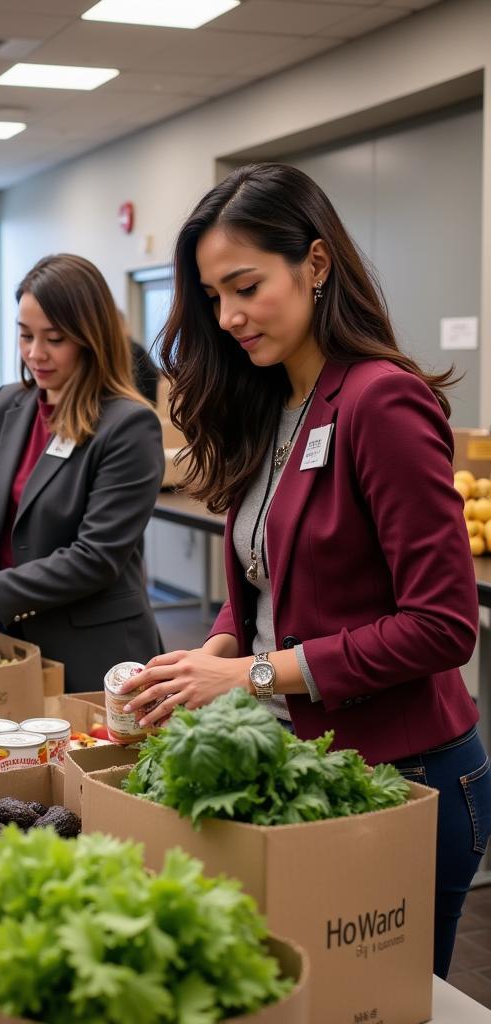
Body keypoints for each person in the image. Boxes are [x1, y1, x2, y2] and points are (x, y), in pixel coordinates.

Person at [120, 163, 491, 978]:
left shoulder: (380, 401)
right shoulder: (269, 404)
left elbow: (443, 626)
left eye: (245, 286)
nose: (230, 316)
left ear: (316, 264)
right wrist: (213, 656)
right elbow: (261, 586)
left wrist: (252, 675)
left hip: (403, 776)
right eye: (215, 297)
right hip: (301, 758)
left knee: (371, 997)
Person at [0, 254, 166, 692]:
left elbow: (95, 558)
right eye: (25, 335)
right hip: (13, 636)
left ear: (91, 338)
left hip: (94, 649)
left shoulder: (128, 425)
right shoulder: (9, 405)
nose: (35, 353)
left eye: (54, 338)